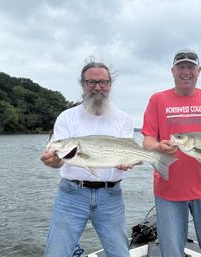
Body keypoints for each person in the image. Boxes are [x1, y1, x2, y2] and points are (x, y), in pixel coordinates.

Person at [141, 48, 201, 257]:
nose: (186, 71)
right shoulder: (157, 100)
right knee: (171, 252)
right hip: (168, 189)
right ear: (173, 71)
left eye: (190, 67)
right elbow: (147, 140)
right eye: (181, 67)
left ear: (199, 71)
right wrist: (159, 147)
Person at [40, 60, 132, 257]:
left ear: (110, 85)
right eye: (91, 82)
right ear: (82, 85)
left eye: (103, 82)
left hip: (111, 197)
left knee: (120, 253)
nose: (97, 87)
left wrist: (128, 161)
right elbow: (59, 160)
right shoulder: (66, 117)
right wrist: (54, 161)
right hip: (71, 194)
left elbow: (126, 153)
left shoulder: (123, 119)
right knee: (56, 253)